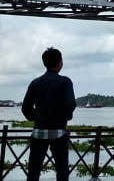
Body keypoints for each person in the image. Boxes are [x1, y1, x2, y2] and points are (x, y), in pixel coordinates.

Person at [21, 48, 76, 181]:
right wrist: (65, 118)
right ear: (60, 62)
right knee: (62, 171)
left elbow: (25, 108)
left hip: (39, 132)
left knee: (33, 171)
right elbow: (70, 105)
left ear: (44, 63)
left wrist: (37, 119)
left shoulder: (35, 83)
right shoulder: (65, 82)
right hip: (59, 132)